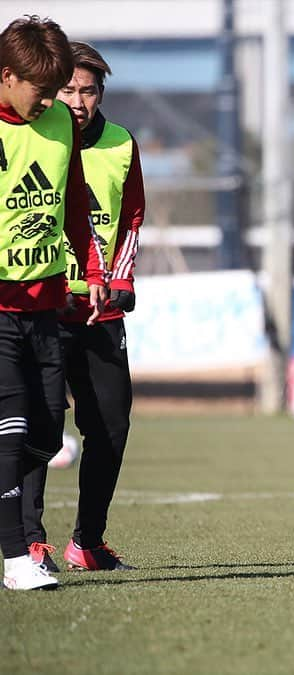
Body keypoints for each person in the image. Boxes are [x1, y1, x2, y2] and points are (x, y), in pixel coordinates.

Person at [22, 41, 144, 572]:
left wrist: (120, 278)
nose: (77, 100)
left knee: (111, 428)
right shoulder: (34, 137)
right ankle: (30, 541)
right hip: (44, 305)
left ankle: (86, 541)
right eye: (68, 89)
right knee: (38, 426)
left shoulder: (121, 144)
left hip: (101, 314)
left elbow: (133, 218)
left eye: (88, 90)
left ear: (100, 95)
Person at [0, 16, 106, 590]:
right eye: (41, 91)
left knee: (44, 433)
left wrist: (93, 271)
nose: (50, 103)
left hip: (44, 304)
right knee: (11, 428)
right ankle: (17, 560)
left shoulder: (61, 121)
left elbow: (72, 206)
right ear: (7, 75)